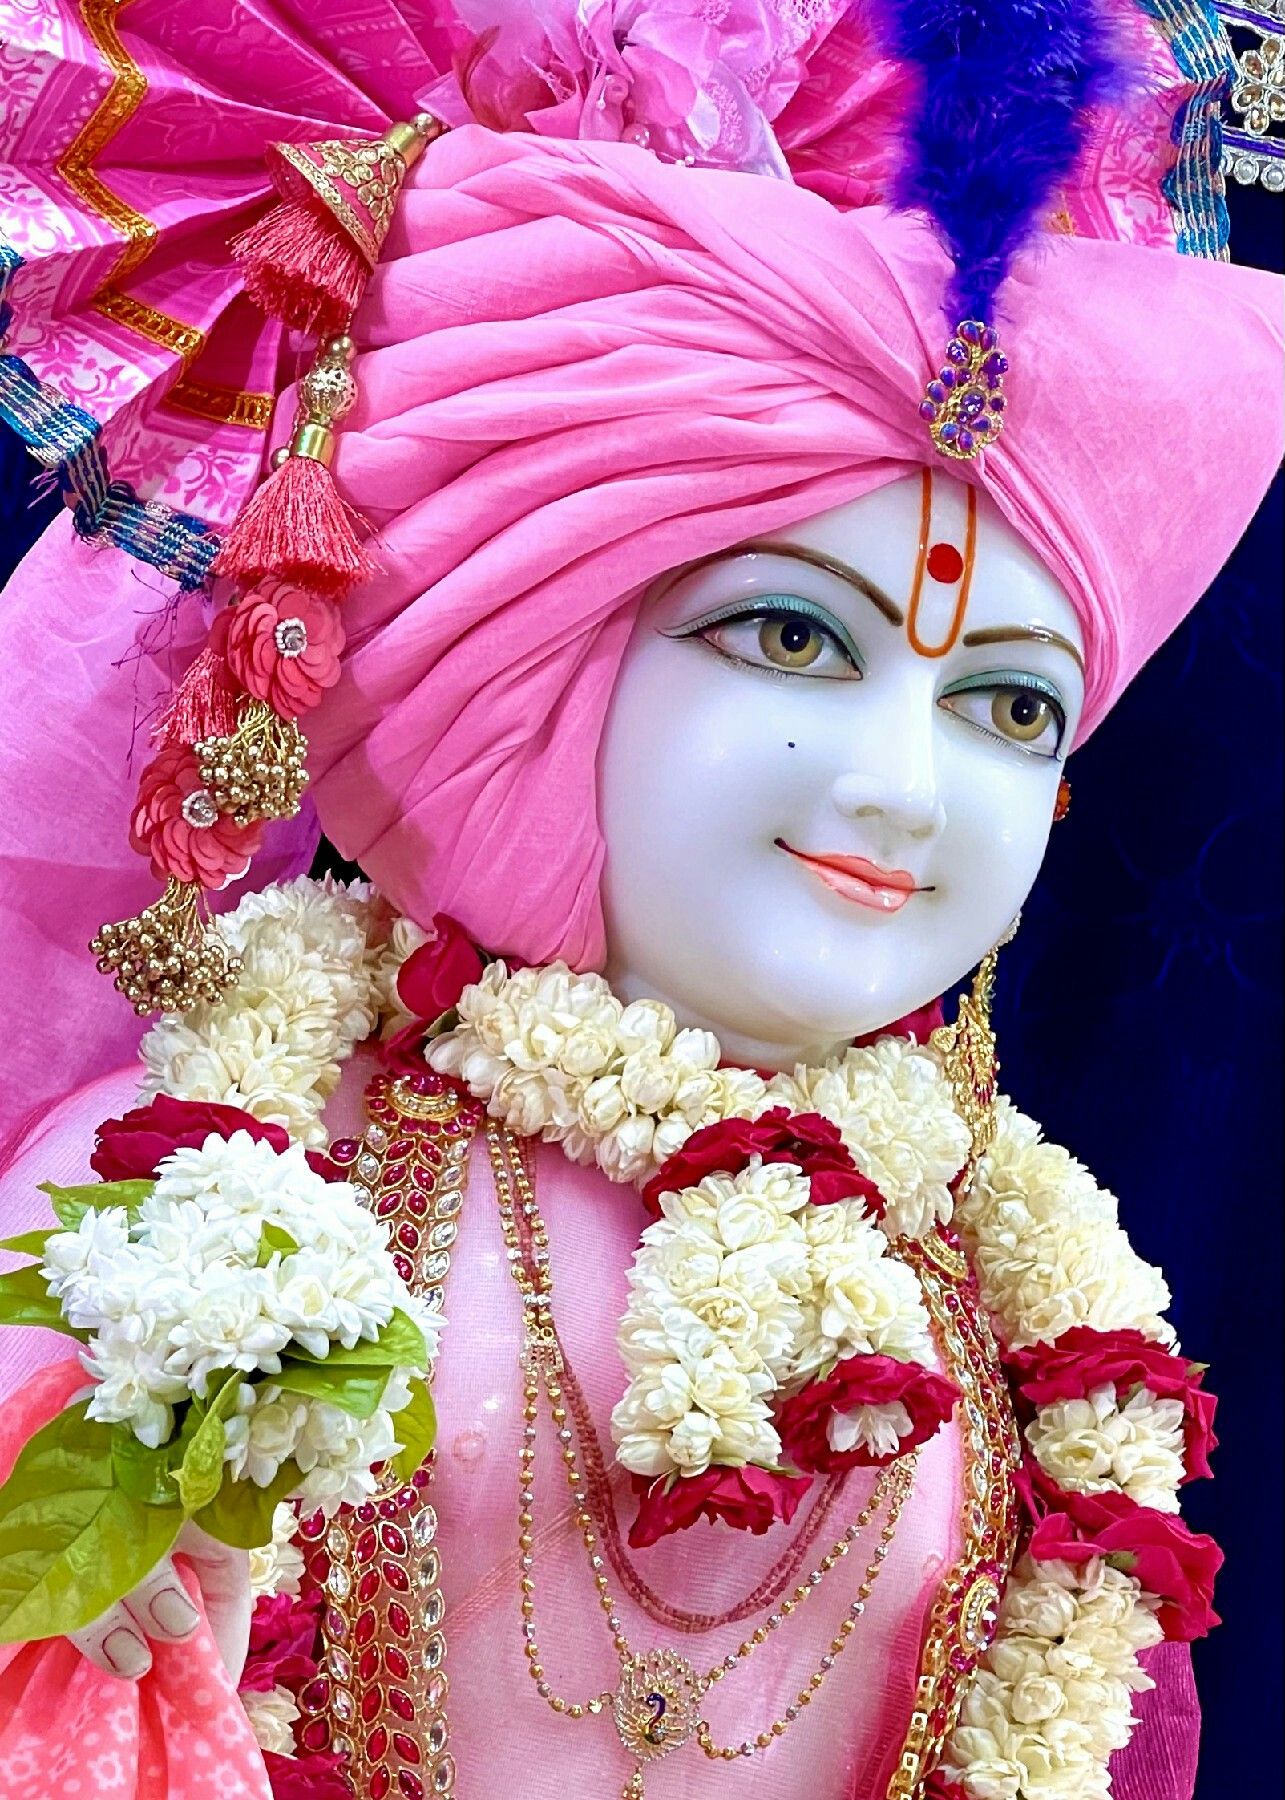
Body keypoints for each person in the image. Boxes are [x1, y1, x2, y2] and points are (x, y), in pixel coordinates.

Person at [0, 4, 1280, 1798]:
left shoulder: (996, 1266)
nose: (903, 789)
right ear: (529, 658)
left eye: (1005, 706)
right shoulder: (200, 1196)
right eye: (791, 640)